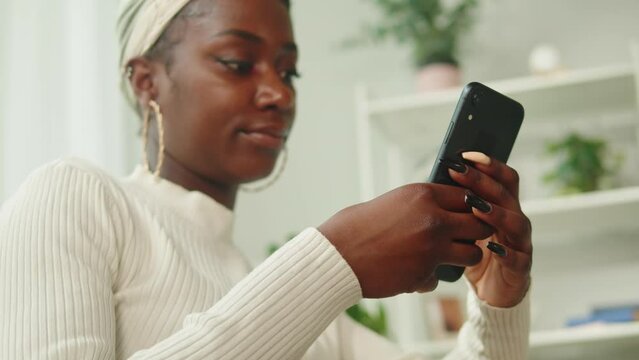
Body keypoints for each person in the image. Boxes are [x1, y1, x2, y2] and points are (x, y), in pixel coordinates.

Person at [0, 0, 532, 358]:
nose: (280, 93)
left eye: (288, 70)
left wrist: (499, 304)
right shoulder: (74, 198)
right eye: (238, 62)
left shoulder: (305, 307)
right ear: (146, 82)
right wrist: (333, 259)